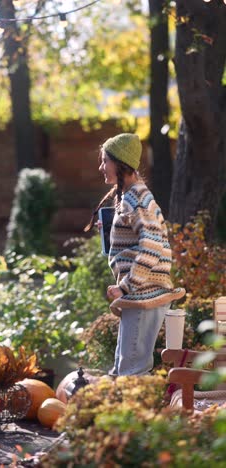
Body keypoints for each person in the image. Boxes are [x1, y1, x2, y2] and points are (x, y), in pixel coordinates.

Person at [84, 133, 185, 376]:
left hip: (144, 294)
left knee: (132, 371)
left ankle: (133, 414)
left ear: (120, 163)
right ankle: (123, 411)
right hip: (141, 294)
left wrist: (126, 286)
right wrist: (113, 229)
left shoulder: (136, 199)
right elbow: (138, 238)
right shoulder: (130, 197)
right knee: (122, 368)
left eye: (104, 161)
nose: (101, 167)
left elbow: (151, 246)